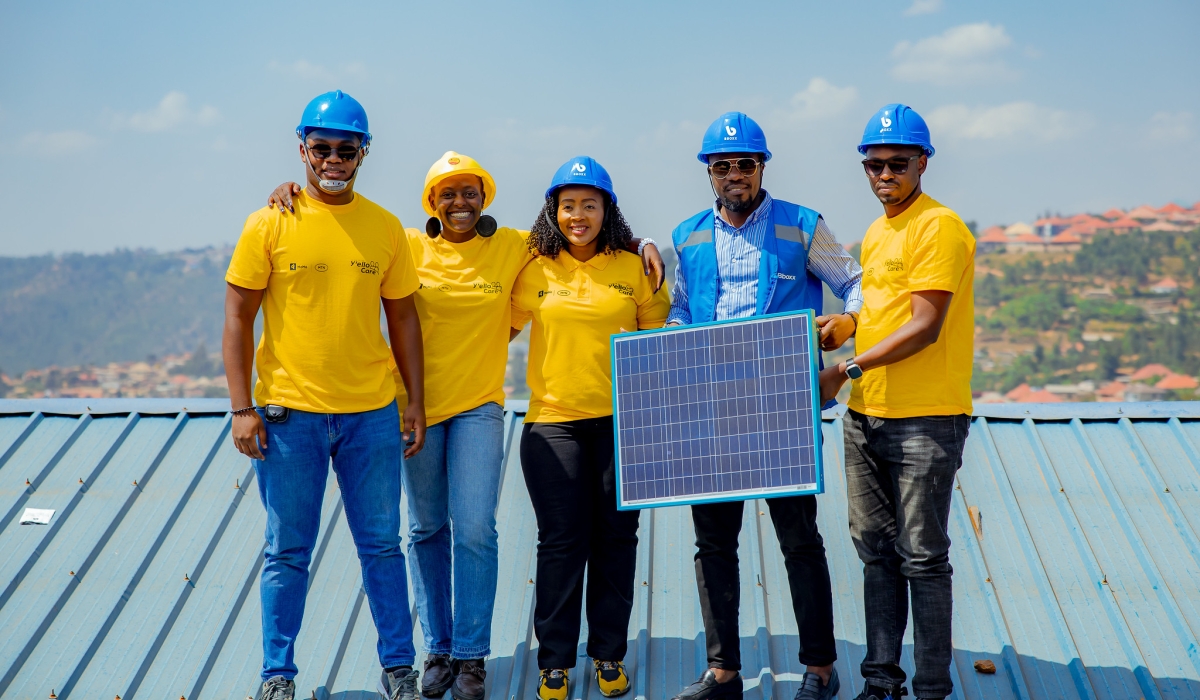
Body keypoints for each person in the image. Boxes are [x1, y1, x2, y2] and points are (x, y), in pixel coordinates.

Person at [265, 153, 664, 700]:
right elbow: (342, 228)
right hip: (414, 409)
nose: (459, 202)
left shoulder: (514, 247)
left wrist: (641, 243)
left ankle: (472, 657)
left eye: (470, 192)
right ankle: (440, 650)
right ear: (431, 200)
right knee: (426, 531)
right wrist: (297, 192)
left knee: (475, 531)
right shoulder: (401, 241)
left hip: (479, 408)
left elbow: (582, 231)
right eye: (447, 193)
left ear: (485, 198)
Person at [223, 90, 427, 700]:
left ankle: (398, 670)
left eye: (346, 148)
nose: (333, 159)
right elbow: (237, 317)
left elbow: (405, 320)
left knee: (382, 548)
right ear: (303, 149)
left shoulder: (386, 228)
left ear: (363, 152)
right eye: (322, 148)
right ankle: (276, 677)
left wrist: (413, 402)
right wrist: (241, 408)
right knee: (286, 552)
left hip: (370, 416)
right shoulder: (270, 222)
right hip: (289, 418)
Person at [665, 112, 864, 700]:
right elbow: (681, 308)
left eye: (744, 165)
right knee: (714, 543)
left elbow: (853, 280)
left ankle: (820, 670)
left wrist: (847, 323)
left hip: (780, 402)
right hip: (711, 407)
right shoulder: (688, 234)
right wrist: (672, 336)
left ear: (761, 167)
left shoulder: (803, 225)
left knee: (798, 539)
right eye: (721, 166)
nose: (734, 175)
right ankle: (723, 673)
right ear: (708, 172)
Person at [817, 104, 975, 700]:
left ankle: (931, 688)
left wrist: (847, 367)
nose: (883, 174)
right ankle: (881, 683)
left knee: (923, 557)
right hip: (867, 415)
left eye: (896, 163)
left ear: (922, 163)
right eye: (873, 164)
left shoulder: (939, 227)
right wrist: (848, 321)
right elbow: (886, 313)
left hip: (925, 419)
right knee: (876, 554)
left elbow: (926, 325)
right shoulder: (882, 230)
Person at [510, 156, 670, 700]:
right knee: (561, 542)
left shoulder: (633, 268)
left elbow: (657, 344)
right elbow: (493, 326)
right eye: (568, 205)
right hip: (552, 424)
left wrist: (645, 243)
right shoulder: (531, 267)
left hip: (620, 425)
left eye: (590, 205)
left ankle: (608, 655)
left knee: (617, 541)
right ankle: (554, 662)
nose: (578, 215)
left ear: (608, 210)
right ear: (553, 211)